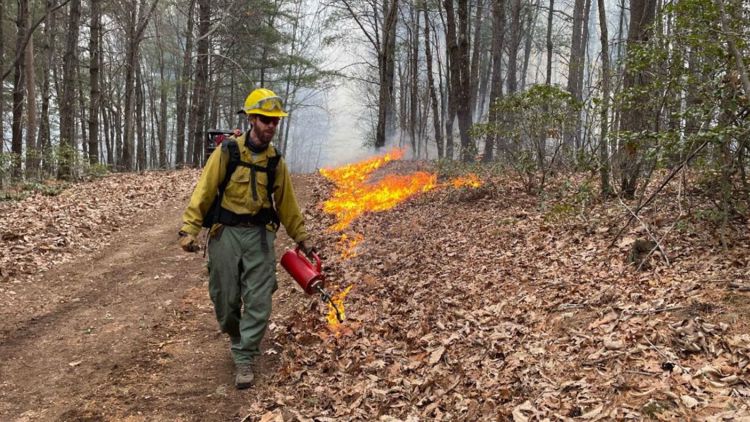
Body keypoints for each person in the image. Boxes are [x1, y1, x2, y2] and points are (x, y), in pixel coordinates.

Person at [178, 87, 315, 389]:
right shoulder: (227, 152)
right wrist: (189, 229)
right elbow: (204, 191)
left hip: (260, 238)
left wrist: (303, 239)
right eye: (265, 120)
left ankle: (245, 356)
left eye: (275, 121)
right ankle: (237, 336)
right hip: (225, 235)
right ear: (252, 118)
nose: (270, 126)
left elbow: (288, 205)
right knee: (225, 303)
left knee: (259, 300)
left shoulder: (275, 162)